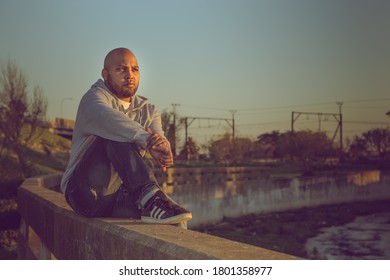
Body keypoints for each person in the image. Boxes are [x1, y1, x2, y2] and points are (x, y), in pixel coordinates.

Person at [60, 47, 192, 225]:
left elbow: (157, 138)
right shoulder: (93, 99)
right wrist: (146, 140)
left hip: (119, 196)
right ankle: (150, 198)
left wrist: (164, 149)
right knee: (114, 135)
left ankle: (153, 203)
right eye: (121, 69)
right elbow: (111, 120)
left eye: (135, 69)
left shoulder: (149, 110)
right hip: (84, 193)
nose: (129, 75)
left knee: (174, 218)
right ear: (105, 74)